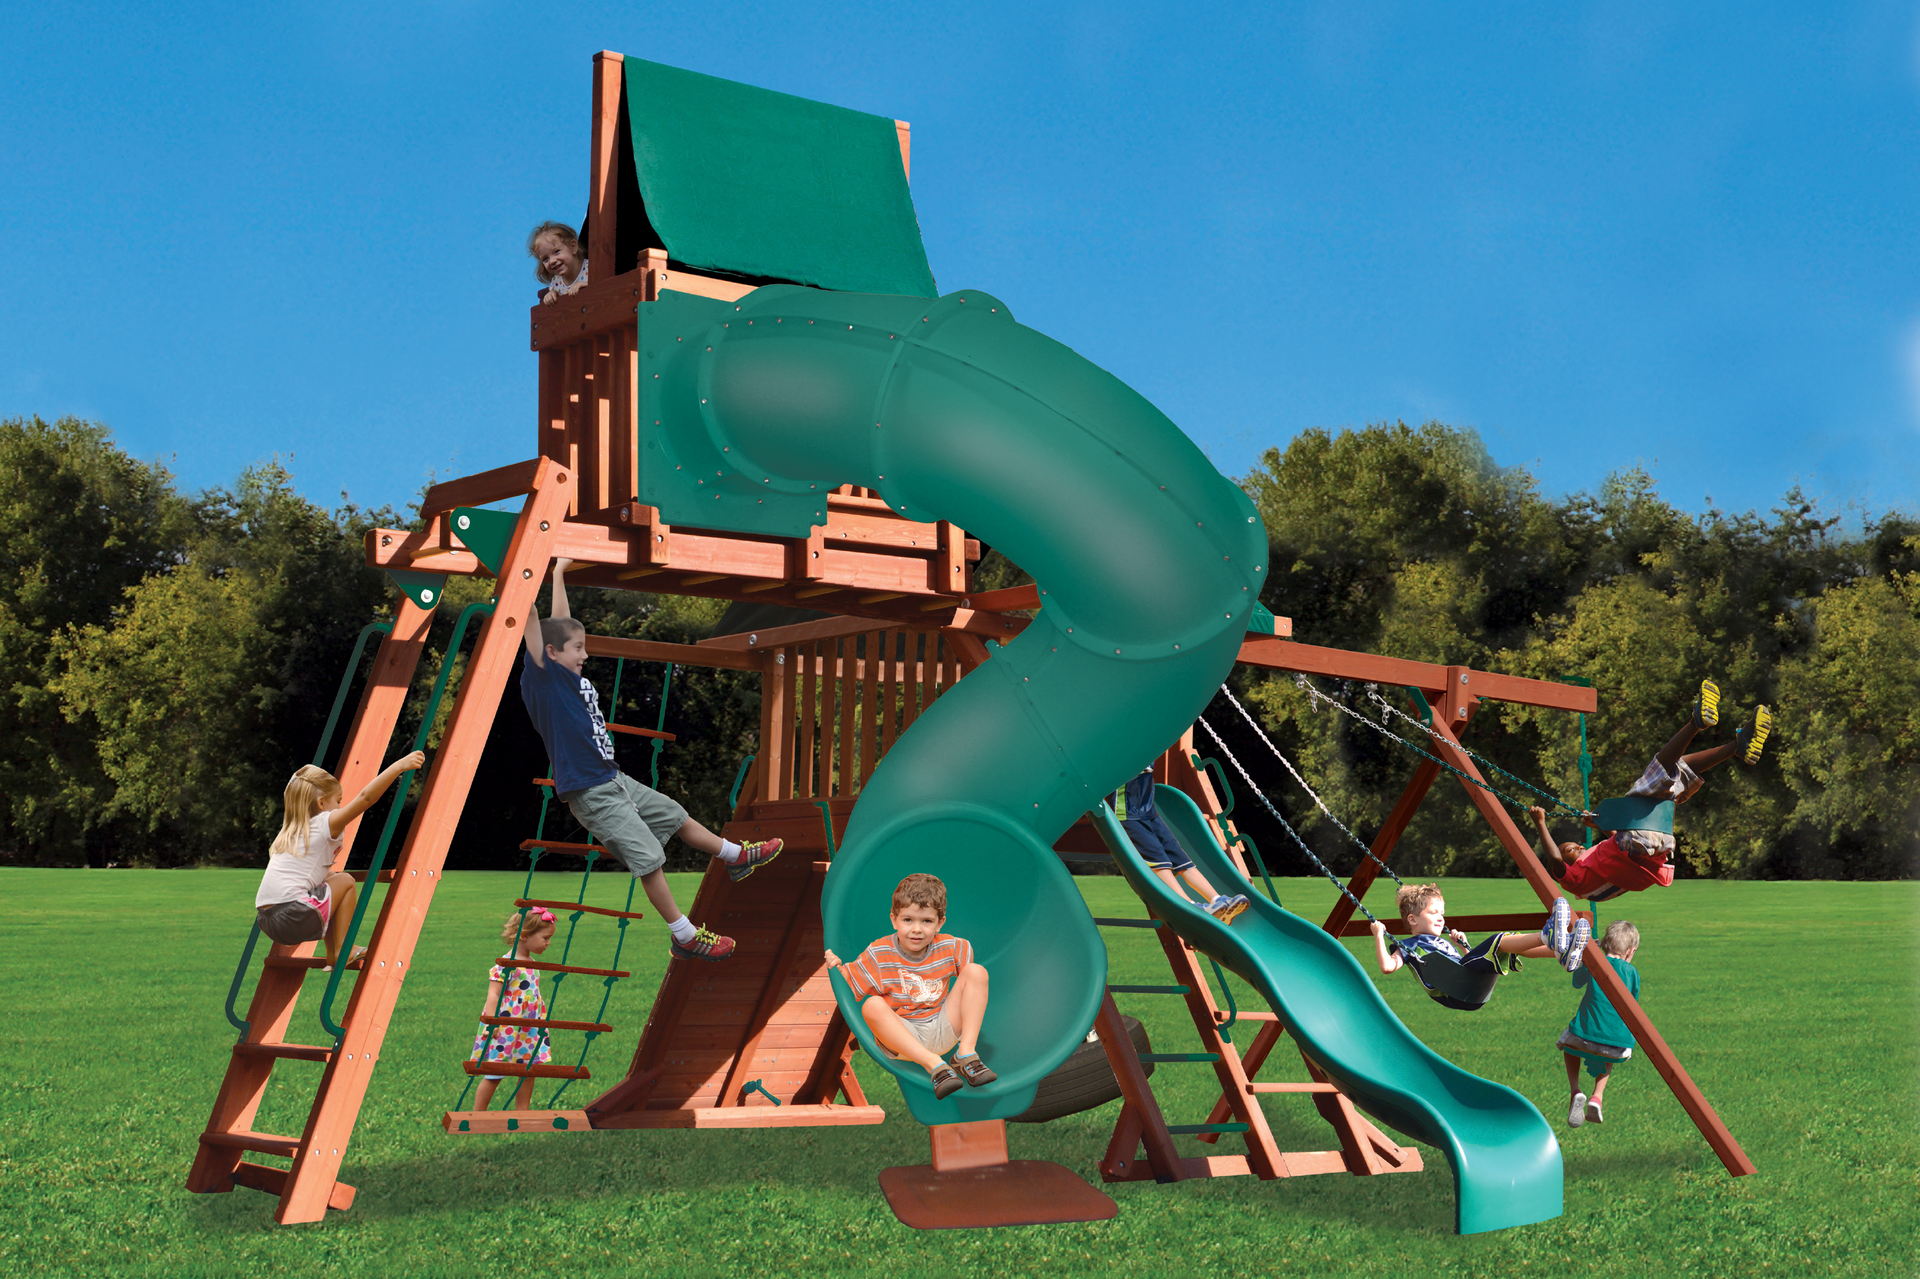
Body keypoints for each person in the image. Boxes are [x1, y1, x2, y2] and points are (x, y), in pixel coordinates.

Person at [520, 557, 780, 963]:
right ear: (550, 654)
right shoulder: (544, 681)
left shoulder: (566, 675)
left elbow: (559, 623)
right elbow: (535, 626)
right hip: (591, 792)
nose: (585, 655)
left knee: (676, 815)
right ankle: (684, 934)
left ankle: (735, 857)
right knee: (649, 859)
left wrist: (556, 573)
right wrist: (525, 574)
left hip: (614, 779)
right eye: (578, 649)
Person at [1531, 679, 1773, 902]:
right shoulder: (1573, 881)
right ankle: (1696, 723)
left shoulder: (1594, 869)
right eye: (1571, 849)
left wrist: (1601, 827)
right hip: (1639, 846)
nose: (1581, 847)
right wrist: (1540, 822)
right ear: (1563, 866)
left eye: (1577, 846)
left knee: (1678, 771)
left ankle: (1737, 746)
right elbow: (1554, 859)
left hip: (1657, 844)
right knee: (1657, 771)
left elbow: (1621, 849)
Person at [825, 873, 993, 1101]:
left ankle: (966, 1054)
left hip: (943, 1027)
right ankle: (934, 1065)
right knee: (872, 1005)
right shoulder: (879, 953)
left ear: (940, 922)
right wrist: (835, 967)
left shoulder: (954, 947)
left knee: (977, 971)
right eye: (908, 920)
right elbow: (847, 988)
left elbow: (971, 990)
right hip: (904, 1038)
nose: (917, 929)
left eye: (926, 921)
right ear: (894, 919)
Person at [254, 751, 426, 969]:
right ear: (322, 802)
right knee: (346, 881)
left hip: (267, 921)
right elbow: (365, 798)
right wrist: (398, 767)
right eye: (338, 801)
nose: (339, 807)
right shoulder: (325, 821)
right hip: (293, 914)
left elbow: (311, 874)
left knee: (333, 879)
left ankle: (336, 950)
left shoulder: (292, 832)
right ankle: (343, 948)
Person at [1370, 883, 1589, 1009]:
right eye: (1433, 913)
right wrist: (1379, 936)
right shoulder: (1410, 945)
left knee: (1509, 944)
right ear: (1412, 920)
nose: (1440, 918)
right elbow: (1387, 967)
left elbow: (1468, 962)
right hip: (1457, 990)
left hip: (1470, 985)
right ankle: (1547, 936)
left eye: (1442, 914)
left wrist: (1462, 945)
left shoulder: (1441, 942)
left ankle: (1560, 951)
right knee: (1500, 940)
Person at [1113, 767, 1250, 924]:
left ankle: (1217, 900)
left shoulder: (1145, 748)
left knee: (1182, 860)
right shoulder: (1120, 751)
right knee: (1158, 861)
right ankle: (1189, 906)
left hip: (1149, 811)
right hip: (1127, 815)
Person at [470, 907, 559, 1110]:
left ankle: (522, 1111)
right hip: (505, 1026)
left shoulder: (533, 963)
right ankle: (478, 1113)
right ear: (525, 935)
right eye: (545, 937)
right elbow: (493, 995)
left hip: (529, 1028)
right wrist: (491, 1022)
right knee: (495, 1071)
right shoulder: (506, 964)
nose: (548, 942)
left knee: (527, 1070)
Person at [1560, 920, 1642, 1127]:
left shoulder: (1595, 962)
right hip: (1616, 1045)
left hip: (1581, 1037)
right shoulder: (1632, 973)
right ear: (1631, 952)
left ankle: (1575, 1090)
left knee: (1567, 1045)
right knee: (1608, 1049)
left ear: (1604, 943)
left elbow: (1576, 982)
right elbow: (1632, 1004)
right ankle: (1597, 1096)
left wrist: (1588, 955)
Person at [529, 221, 588, 304]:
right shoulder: (556, 283)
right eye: (546, 259)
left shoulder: (591, 268)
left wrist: (586, 285)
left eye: (556, 252)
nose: (552, 261)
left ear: (573, 247)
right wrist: (551, 295)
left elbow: (603, 285)